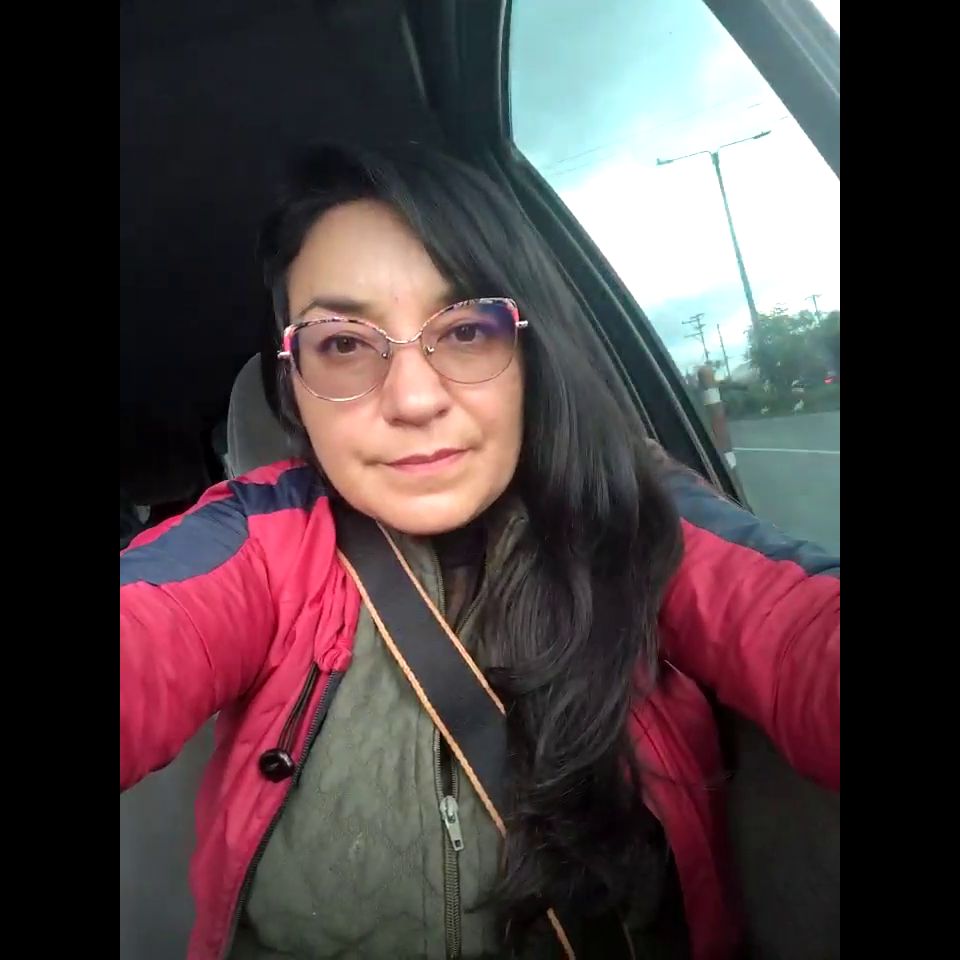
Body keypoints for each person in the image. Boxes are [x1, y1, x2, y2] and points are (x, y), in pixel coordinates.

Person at [120, 142, 840, 960]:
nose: (414, 398)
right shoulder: (257, 539)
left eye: (465, 330)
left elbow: (800, 630)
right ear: (295, 384)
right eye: (344, 344)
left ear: (527, 348)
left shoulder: (628, 509)